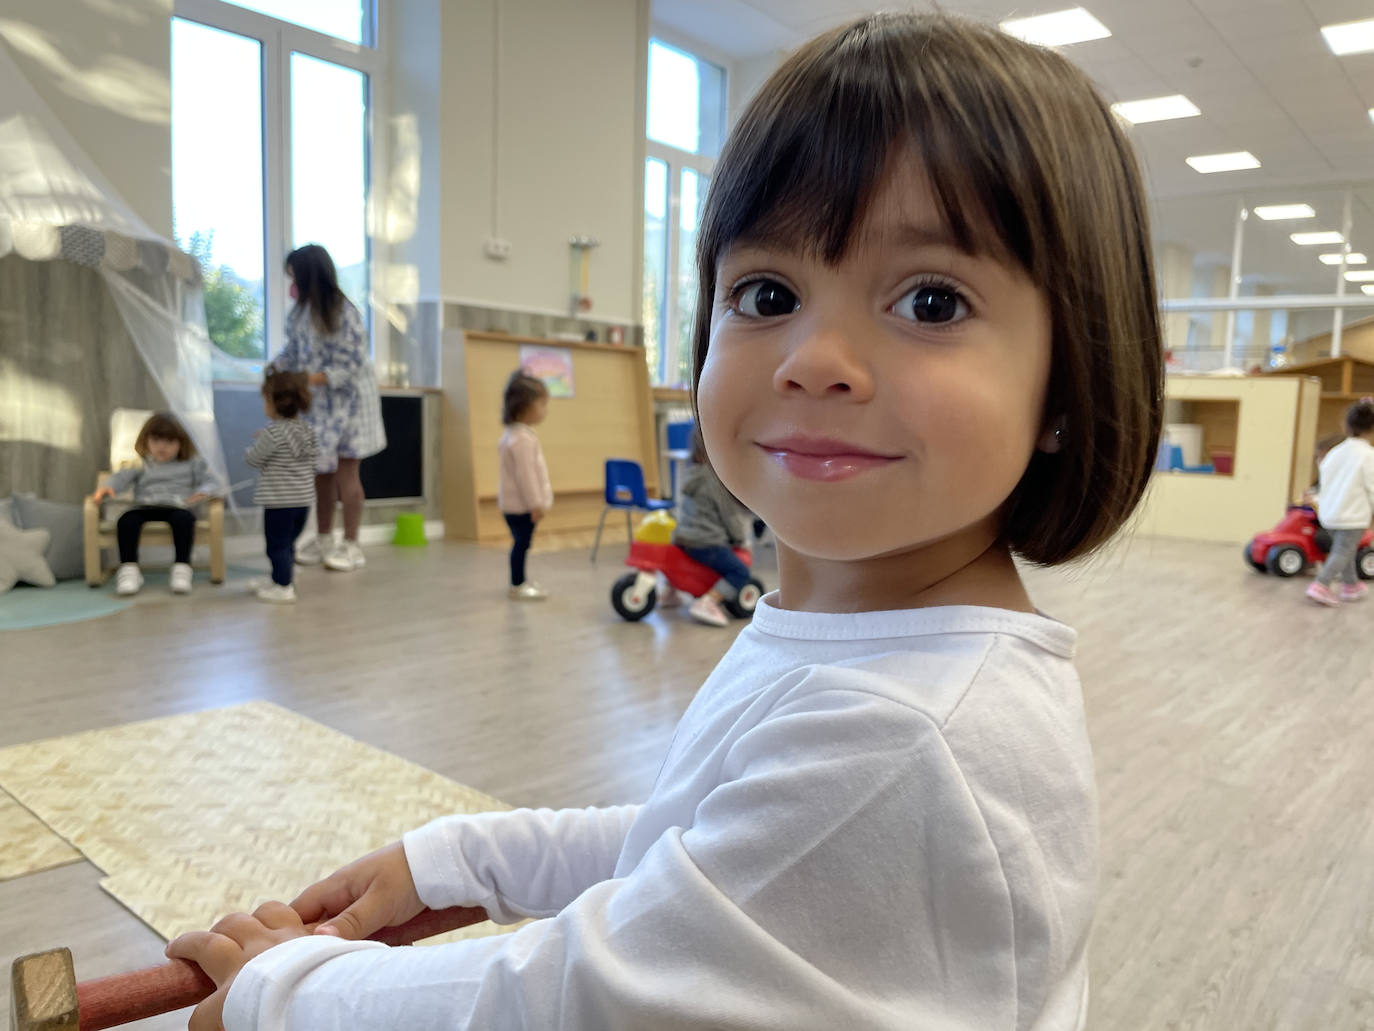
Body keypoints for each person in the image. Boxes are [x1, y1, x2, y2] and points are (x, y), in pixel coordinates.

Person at [167, 13, 1164, 1030]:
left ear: (1067, 382)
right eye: (768, 290)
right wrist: (461, 859)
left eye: (932, 301)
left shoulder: (907, 737)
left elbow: (585, 999)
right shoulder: (864, 655)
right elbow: (692, 844)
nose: (815, 357)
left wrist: (283, 993)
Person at [276, 244, 385, 574]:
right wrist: (277, 369)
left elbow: (349, 365)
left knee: (346, 474)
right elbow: (292, 351)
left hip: (350, 404)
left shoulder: (344, 314)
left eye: (295, 277)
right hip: (319, 406)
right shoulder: (299, 313)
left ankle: (351, 544)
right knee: (321, 474)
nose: (291, 284)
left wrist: (305, 377)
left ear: (310, 276)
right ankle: (323, 538)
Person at [90, 412, 224, 597]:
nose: (162, 447)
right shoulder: (141, 463)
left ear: (181, 443)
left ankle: (181, 569)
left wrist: (204, 491)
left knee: (184, 520)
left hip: (177, 507)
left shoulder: (192, 463)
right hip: (145, 506)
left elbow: (211, 481)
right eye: (156, 440)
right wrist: (107, 487)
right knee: (127, 520)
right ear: (146, 441)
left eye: (169, 442)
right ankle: (129, 571)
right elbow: (120, 478)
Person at [245, 367, 319, 605]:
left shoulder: (272, 433)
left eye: (265, 400)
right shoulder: (308, 430)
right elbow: (314, 458)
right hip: (303, 502)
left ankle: (283, 587)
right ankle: (282, 578)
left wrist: (255, 445)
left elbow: (253, 460)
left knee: (276, 546)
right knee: (287, 545)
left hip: (279, 503)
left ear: (275, 403)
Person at [672, 427, 754, 626]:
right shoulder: (714, 481)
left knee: (678, 563)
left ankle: (668, 591)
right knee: (740, 572)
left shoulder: (692, 474)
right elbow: (730, 517)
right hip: (706, 542)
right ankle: (709, 601)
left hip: (683, 536)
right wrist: (740, 540)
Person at [1306, 399, 1374, 606]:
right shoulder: (1368, 455)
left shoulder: (1335, 452)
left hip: (1329, 513)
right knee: (1343, 551)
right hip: (1352, 516)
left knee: (1344, 549)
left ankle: (1351, 585)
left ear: (1347, 425)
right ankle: (1321, 584)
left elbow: (1325, 483)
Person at [498, 370, 553, 601]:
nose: (545, 410)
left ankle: (519, 581)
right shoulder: (522, 440)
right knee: (521, 545)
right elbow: (526, 477)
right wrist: (536, 504)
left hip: (516, 506)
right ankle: (517, 585)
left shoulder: (515, 435)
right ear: (525, 407)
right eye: (542, 404)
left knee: (521, 544)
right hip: (522, 507)